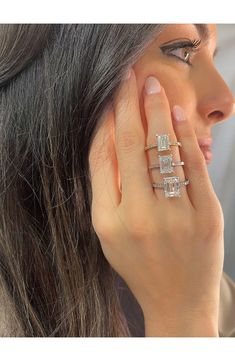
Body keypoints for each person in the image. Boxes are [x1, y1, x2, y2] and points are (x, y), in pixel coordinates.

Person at [0, 24, 234, 337]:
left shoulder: (202, 276)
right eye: (182, 51)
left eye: (214, 57)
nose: (224, 102)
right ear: (69, 69)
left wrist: (189, 307)